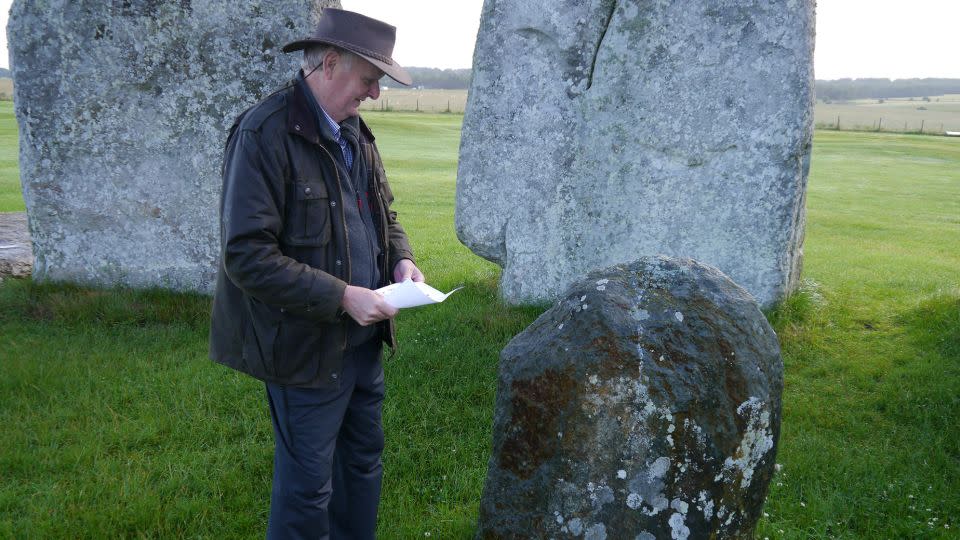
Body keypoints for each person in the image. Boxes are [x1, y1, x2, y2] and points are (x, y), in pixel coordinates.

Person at [208, 8, 424, 539]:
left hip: (364, 344)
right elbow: (247, 254)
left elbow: (383, 214)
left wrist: (400, 258)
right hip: (302, 351)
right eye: (370, 79)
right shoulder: (263, 132)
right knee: (307, 491)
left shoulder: (355, 131)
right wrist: (343, 296)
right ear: (330, 63)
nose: (374, 94)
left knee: (361, 469)